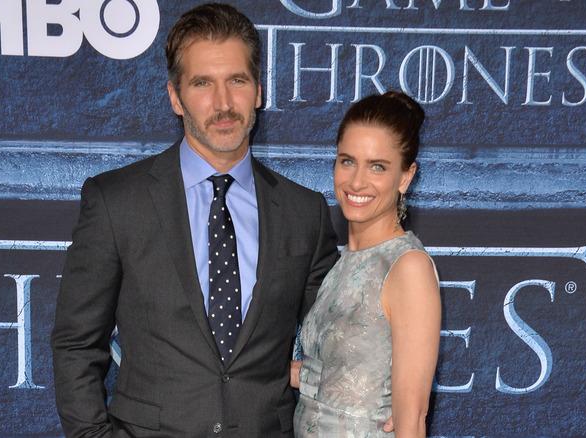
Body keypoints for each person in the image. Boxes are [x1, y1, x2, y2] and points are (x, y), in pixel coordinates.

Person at [50, 3, 338, 437]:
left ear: (258, 91)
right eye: (203, 83)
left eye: (237, 81)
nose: (223, 103)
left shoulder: (305, 213)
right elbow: (76, 344)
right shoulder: (116, 202)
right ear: (175, 97)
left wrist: (385, 399)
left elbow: (339, 341)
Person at [293, 92, 441, 437]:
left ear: (406, 177)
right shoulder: (341, 262)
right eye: (347, 161)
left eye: (377, 166)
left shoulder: (408, 268)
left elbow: (411, 418)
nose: (357, 182)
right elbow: (331, 376)